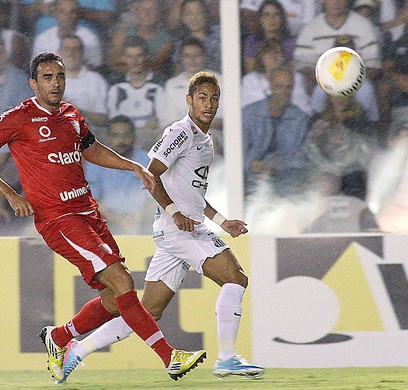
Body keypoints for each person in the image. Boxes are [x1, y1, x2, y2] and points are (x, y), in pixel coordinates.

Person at [0, 52, 206, 384]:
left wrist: (132, 164)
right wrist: (10, 194)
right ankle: (170, 357)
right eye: (47, 78)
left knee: (112, 297)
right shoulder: (18, 118)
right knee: (122, 281)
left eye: (60, 76)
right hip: (59, 219)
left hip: (89, 212)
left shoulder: (71, 114)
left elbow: (90, 149)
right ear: (34, 83)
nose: (55, 83)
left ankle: (60, 338)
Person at [62, 71, 265, 379]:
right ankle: (227, 357)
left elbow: (193, 195)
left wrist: (224, 222)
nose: (208, 104)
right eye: (202, 98)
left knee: (148, 311)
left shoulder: (206, 140)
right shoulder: (181, 132)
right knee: (235, 278)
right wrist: (174, 212)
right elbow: (149, 175)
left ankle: (77, 350)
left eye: (214, 99)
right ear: (189, 100)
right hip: (178, 230)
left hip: (182, 229)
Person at [242, 67, 310, 197]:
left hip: (286, 182)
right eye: (280, 87)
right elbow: (237, 153)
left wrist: (276, 166)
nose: (285, 92)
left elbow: (301, 158)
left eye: (289, 87)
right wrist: (251, 163)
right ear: (271, 86)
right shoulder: (248, 114)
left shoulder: (301, 119)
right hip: (251, 180)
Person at [84, 115, 155, 234]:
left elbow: (156, 199)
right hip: (106, 222)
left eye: (126, 135)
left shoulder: (147, 160)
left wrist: (137, 218)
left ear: (134, 136)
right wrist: (118, 220)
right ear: (108, 138)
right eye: (116, 135)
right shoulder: (96, 162)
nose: (121, 140)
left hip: (144, 222)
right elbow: (90, 199)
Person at [106, 35, 164, 151]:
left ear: (146, 57)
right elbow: (115, 124)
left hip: (149, 143)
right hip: (122, 144)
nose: (135, 61)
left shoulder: (158, 87)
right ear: (123, 58)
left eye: (139, 56)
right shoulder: (116, 89)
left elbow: (160, 122)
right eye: (130, 56)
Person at [32, 0, 103, 69]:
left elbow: (95, 67)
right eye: (62, 12)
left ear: (78, 14)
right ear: (55, 13)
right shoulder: (42, 39)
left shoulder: (90, 39)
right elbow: (36, 68)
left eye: (72, 12)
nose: (67, 16)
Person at [60, 33, 109, 129]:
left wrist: (76, 111)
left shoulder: (96, 80)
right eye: (67, 49)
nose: (71, 53)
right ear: (59, 52)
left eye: (76, 49)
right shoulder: (48, 81)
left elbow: (103, 119)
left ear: (82, 53)